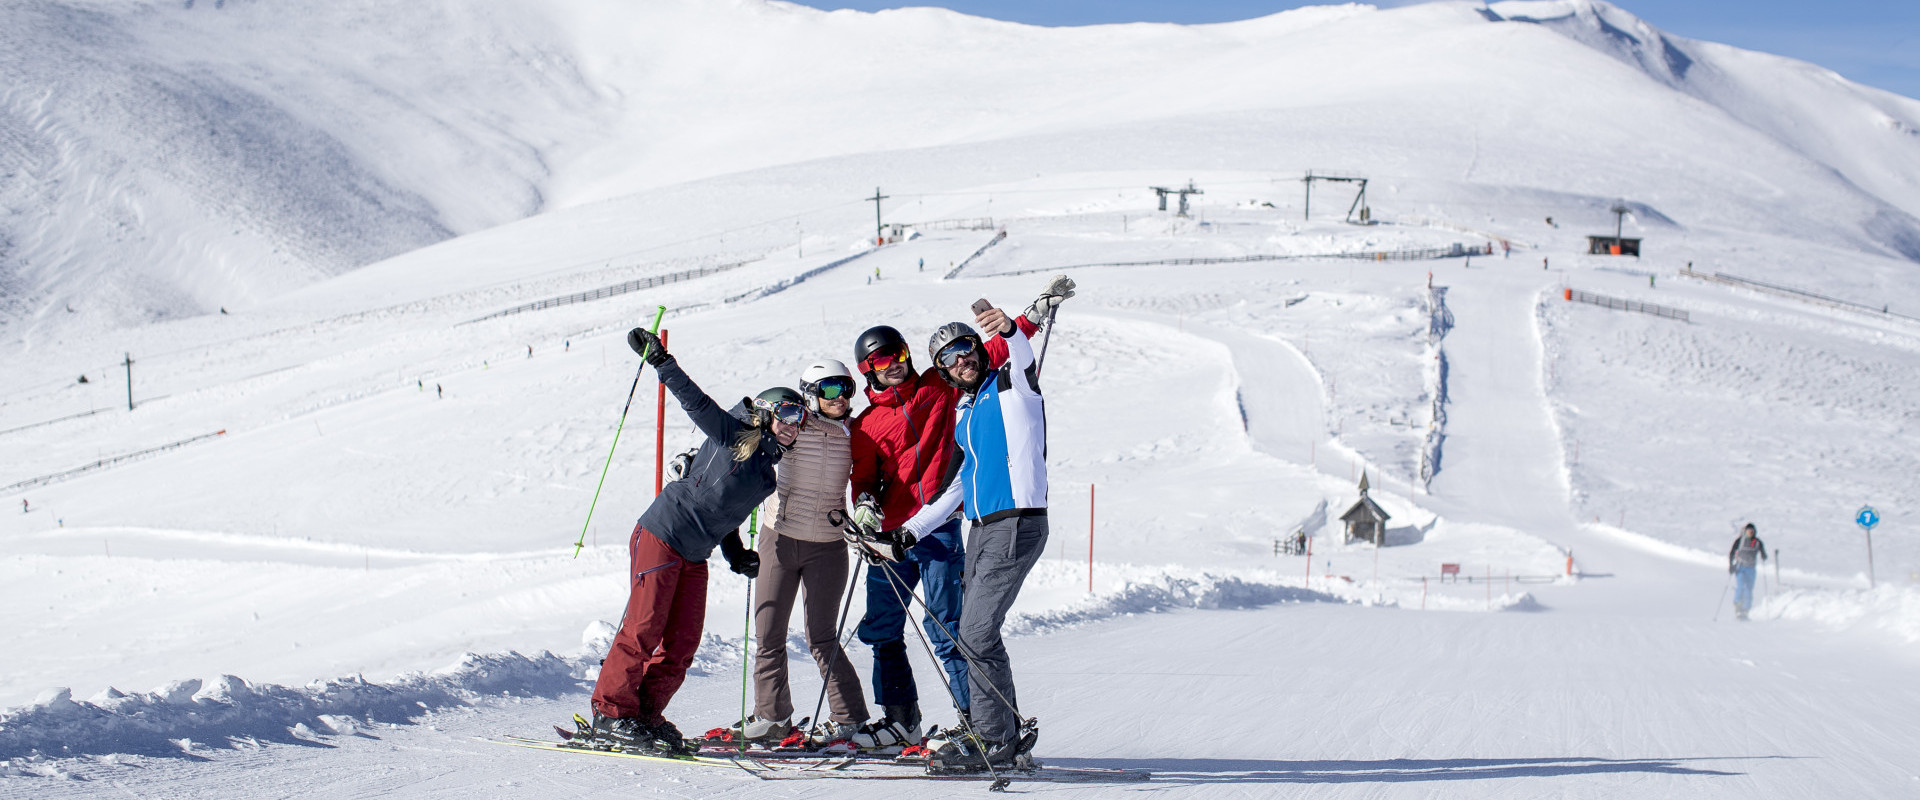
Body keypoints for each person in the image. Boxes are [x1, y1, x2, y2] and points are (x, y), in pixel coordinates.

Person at [845, 276, 1071, 750]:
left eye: (900, 355)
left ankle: (980, 722)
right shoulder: (868, 425)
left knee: (952, 628)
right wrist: (868, 509)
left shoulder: (945, 386)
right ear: (868, 370)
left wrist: (1024, 319)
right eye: (883, 361)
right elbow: (868, 479)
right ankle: (904, 718)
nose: (895, 366)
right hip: (901, 532)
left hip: (954, 530)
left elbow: (998, 351)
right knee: (884, 629)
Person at [583, 326, 799, 755]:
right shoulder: (733, 435)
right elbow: (696, 402)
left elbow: (725, 513)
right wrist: (662, 361)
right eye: (788, 414)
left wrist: (736, 553)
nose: (796, 425)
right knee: (644, 630)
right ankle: (610, 714)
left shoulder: (764, 476)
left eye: (801, 418)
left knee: (682, 643)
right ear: (766, 414)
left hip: (695, 552)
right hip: (663, 534)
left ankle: (643, 714)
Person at [895, 298, 1059, 771]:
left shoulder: (1013, 386)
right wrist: (908, 533)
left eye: (964, 347)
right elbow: (958, 485)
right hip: (983, 529)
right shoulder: (965, 412)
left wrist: (1009, 328)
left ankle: (995, 742)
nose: (959, 359)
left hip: (1018, 521)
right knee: (975, 632)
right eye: (947, 357)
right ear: (943, 371)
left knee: (975, 633)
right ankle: (1003, 733)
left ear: (980, 348)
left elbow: (1022, 354)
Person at [738, 360, 869, 745]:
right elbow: (740, 435)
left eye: (845, 388)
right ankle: (772, 716)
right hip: (778, 538)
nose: (840, 397)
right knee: (769, 633)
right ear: (811, 392)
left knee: (821, 636)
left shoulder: (855, 432)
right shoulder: (790, 425)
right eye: (829, 389)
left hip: (828, 547)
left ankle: (850, 717)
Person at [1728, 523, 1768, 621]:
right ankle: (1738, 607)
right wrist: (1731, 565)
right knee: (1741, 586)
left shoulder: (1757, 542)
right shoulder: (1740, 541)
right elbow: (1732, 553)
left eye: (1752, 531)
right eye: (1749, 530)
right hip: (1740, 567)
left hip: (1751, 568)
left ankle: (1746, 609)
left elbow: (1763, 552)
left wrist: (1763, 555)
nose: (1750, 532)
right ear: (1745, 531)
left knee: (1749, 589)